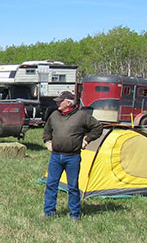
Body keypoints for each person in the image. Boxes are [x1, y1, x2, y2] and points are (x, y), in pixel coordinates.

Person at [42, 91, 103, 220]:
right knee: (51, 185)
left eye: (60, 101)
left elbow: (97, 128)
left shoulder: (82, 116)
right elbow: (47, 131)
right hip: (56, 157)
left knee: (73, 187)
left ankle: (75, 214)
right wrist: (48, 141)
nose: (57, 103)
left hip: (72, 157)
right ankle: (49, 213)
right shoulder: (54, 115)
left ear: (68, 103)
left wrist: (87, 139)